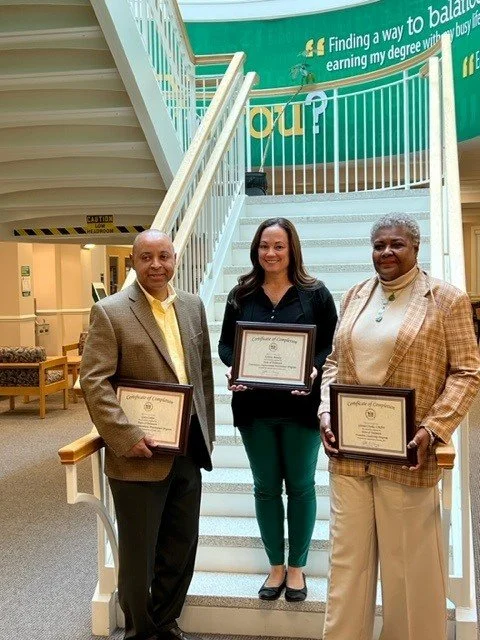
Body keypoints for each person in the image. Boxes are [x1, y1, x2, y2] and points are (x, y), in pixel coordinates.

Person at [319, 213, 480, 640]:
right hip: (350, 456)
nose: (386, 253)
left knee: (409, 570)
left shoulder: (446, 299)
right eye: (379, 245)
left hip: (409, 454)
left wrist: (434, 428)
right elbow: (334, 363)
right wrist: (325, 413)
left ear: (415, 247)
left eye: (396, 245)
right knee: (346, 567)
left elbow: (466, 372)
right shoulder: (355, 294)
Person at [80, 229, 215, 640]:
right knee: (139, 555)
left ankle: (166, 619)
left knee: (180, 546)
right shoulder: (111, 311)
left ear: (175, 259)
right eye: (146, 257)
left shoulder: (192, 306)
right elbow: (94, 381)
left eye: (164, 256)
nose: (156, 265)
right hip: (137, 455)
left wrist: (205, 433)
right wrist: (125, 436)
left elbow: (203, 373)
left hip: (187, 449)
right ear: (134, 262)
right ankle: (141, 630)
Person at [218, 217, 337, 602]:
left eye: (278, 246)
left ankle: (298, 568)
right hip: (254, 407)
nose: (270, 253)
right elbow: (225, 346)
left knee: (300, 487)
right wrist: (236, 366)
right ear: (256, 250)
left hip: (301, 407)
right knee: (266, 489)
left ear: (291, 250)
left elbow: (332, 344)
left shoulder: (315, 293)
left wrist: (315, 368)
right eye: (264, 246)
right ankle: (275, 567)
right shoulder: (241, 294)